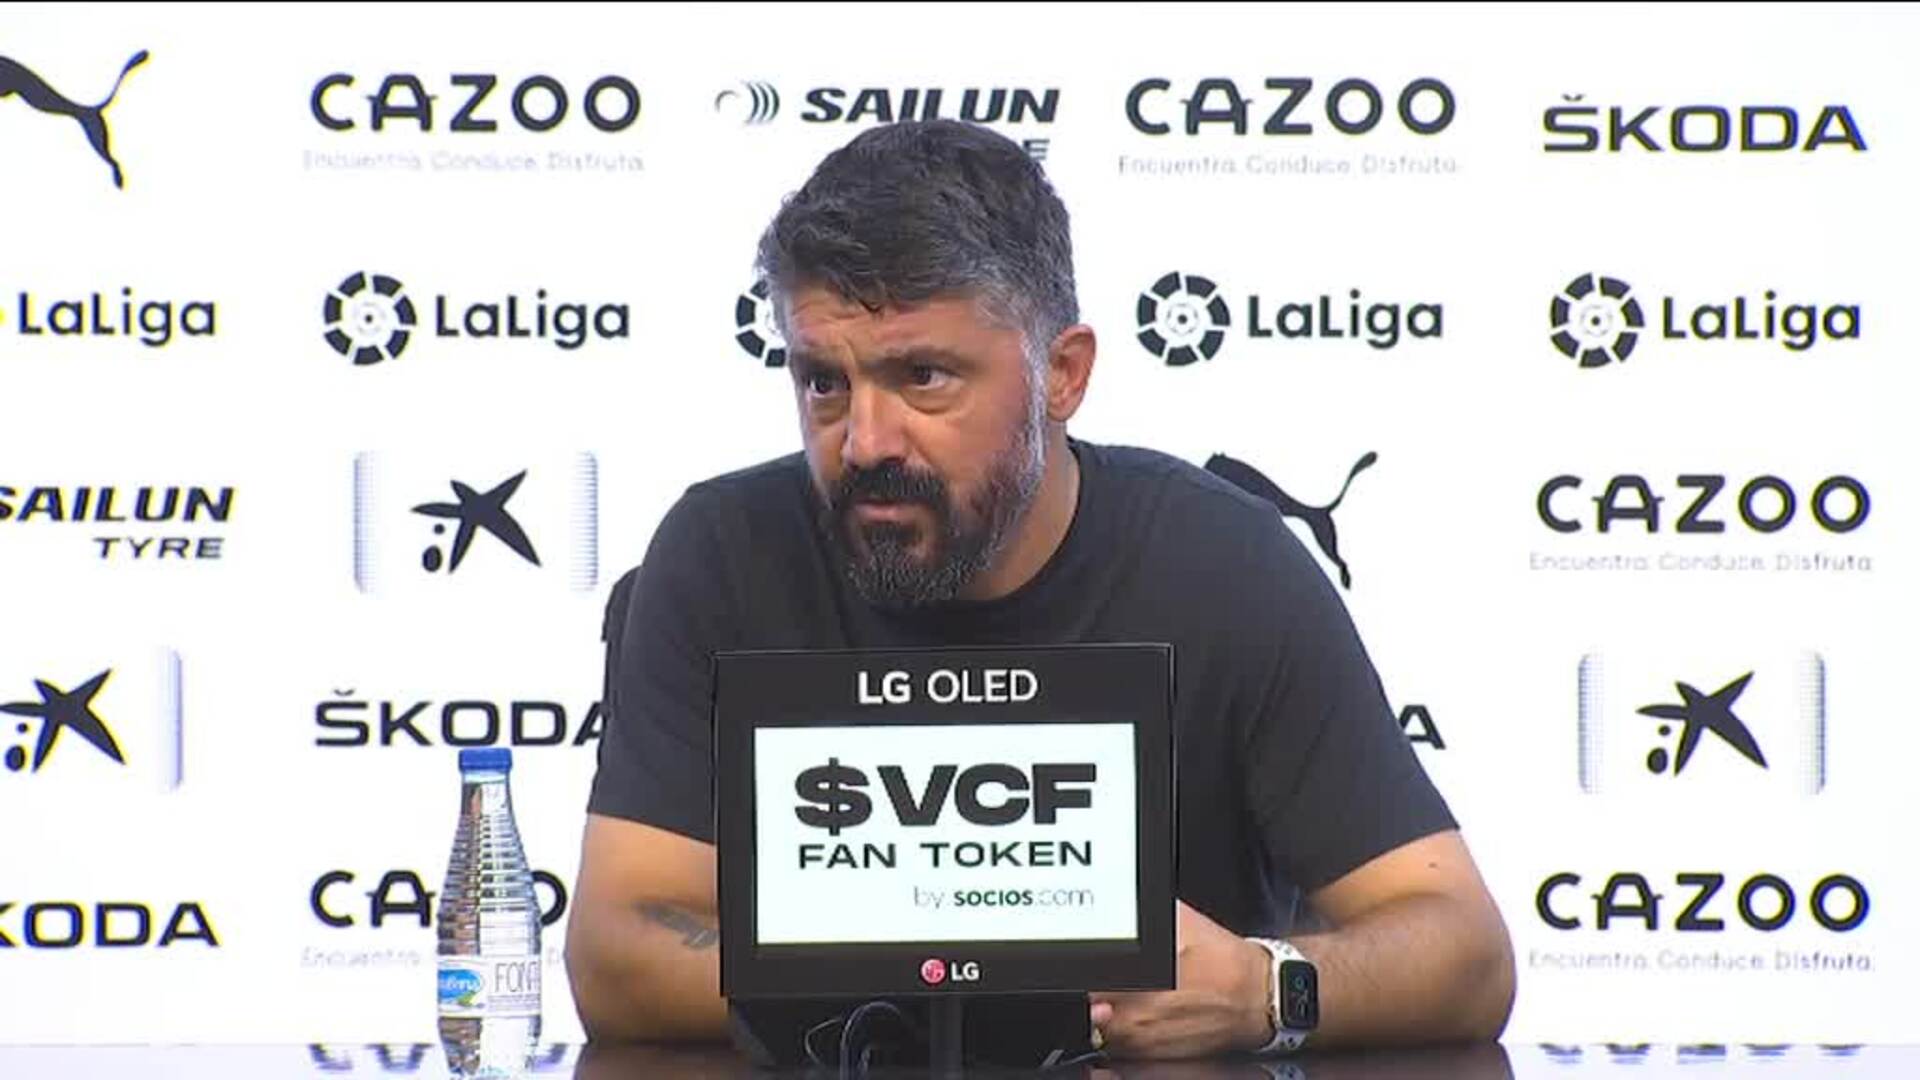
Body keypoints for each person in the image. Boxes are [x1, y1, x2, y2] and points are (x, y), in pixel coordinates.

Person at [565, 119, 1514, 1058]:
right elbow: (617, 952)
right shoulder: (724, 553)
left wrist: (1263, 990)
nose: (864, 442)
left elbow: (1464, 953)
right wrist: (956, 976)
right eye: (824, 383)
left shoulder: (1226, 566)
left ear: (1063, 374)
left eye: (923, 377)